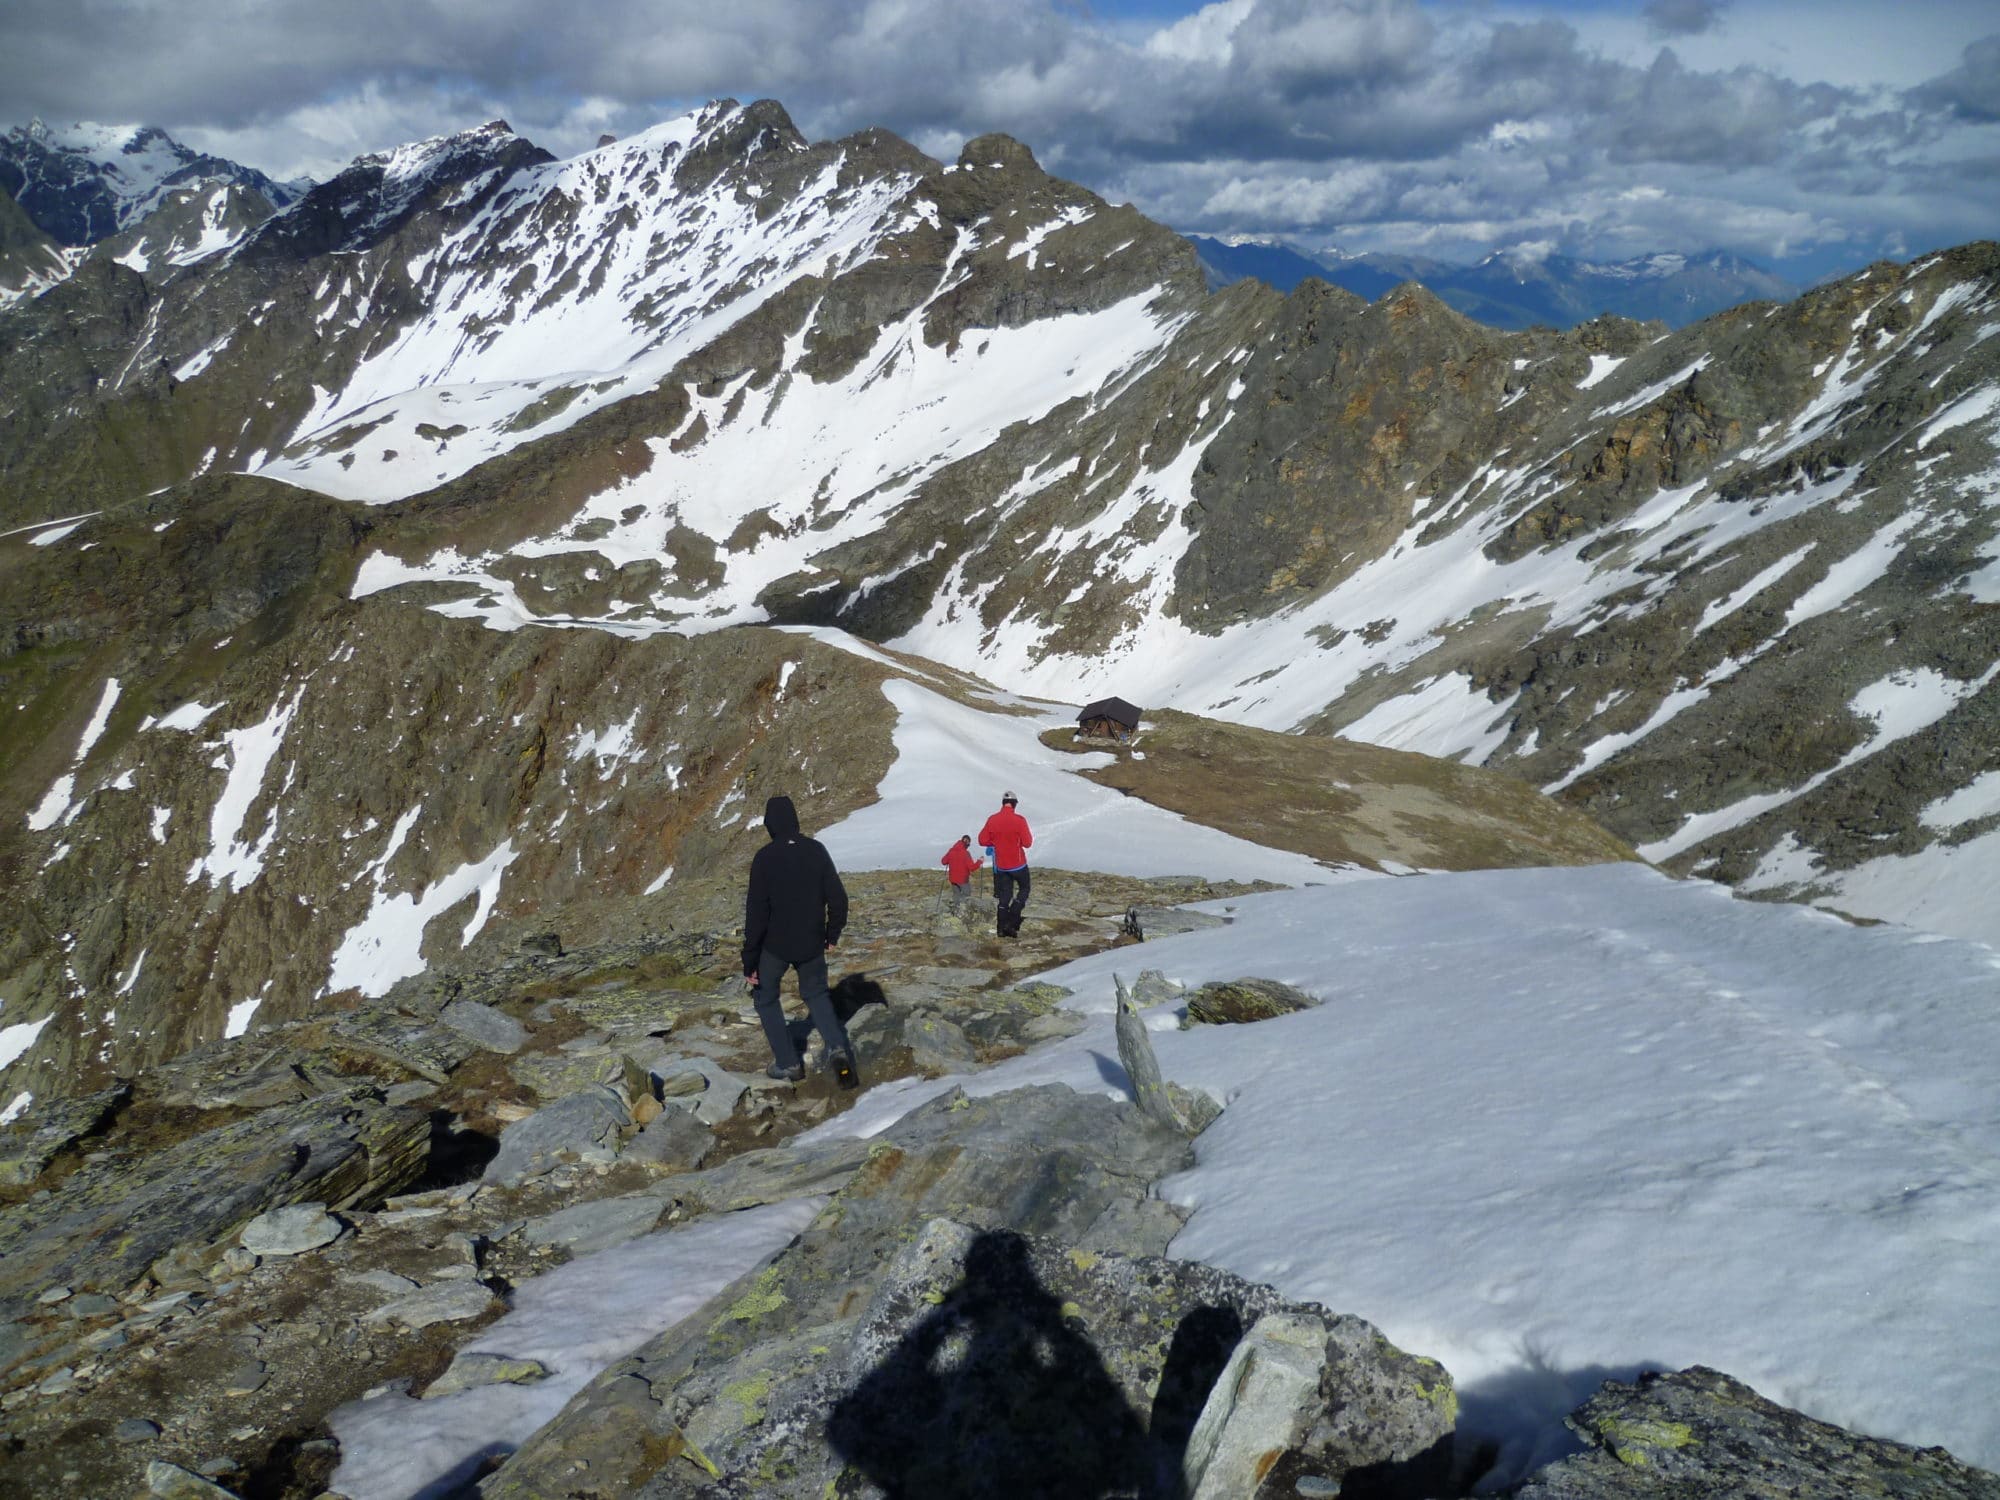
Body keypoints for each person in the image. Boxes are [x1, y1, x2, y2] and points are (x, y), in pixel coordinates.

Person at [742, 794, 858, 1088]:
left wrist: (750, 960)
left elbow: (756, 913)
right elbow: (839, 899)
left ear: (770, 824)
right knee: (816, 994)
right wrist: (832, 934)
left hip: (775, 947)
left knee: (765, 998)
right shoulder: (816, 850)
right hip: (811, 943)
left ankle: (788, 1064)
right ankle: (837, 1049)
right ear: (794, 820)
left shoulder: (764, 858)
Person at [976, 791, 1033, 938]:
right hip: (1018, 864)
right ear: (1014, 804)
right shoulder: (1019, 820)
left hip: (1001, 866)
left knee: (1005, 895)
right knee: (1024, 889)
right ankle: (1012, 920)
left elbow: (982, 840)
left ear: (1003, 803)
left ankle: (1001, 928)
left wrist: (995, 841)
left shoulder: (992, 819)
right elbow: (1027, 843)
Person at [940, 834, 984, 912]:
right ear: (967, 843)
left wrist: (950, 857)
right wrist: (979, 861)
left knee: (956, 895)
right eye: (969, 844)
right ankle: (962, 911)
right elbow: (972, 868)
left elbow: (943, 861)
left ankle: (955, 910)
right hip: (963, 880)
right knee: (966, 895)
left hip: (953, 879)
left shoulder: (951, 851)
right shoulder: (966, 853)